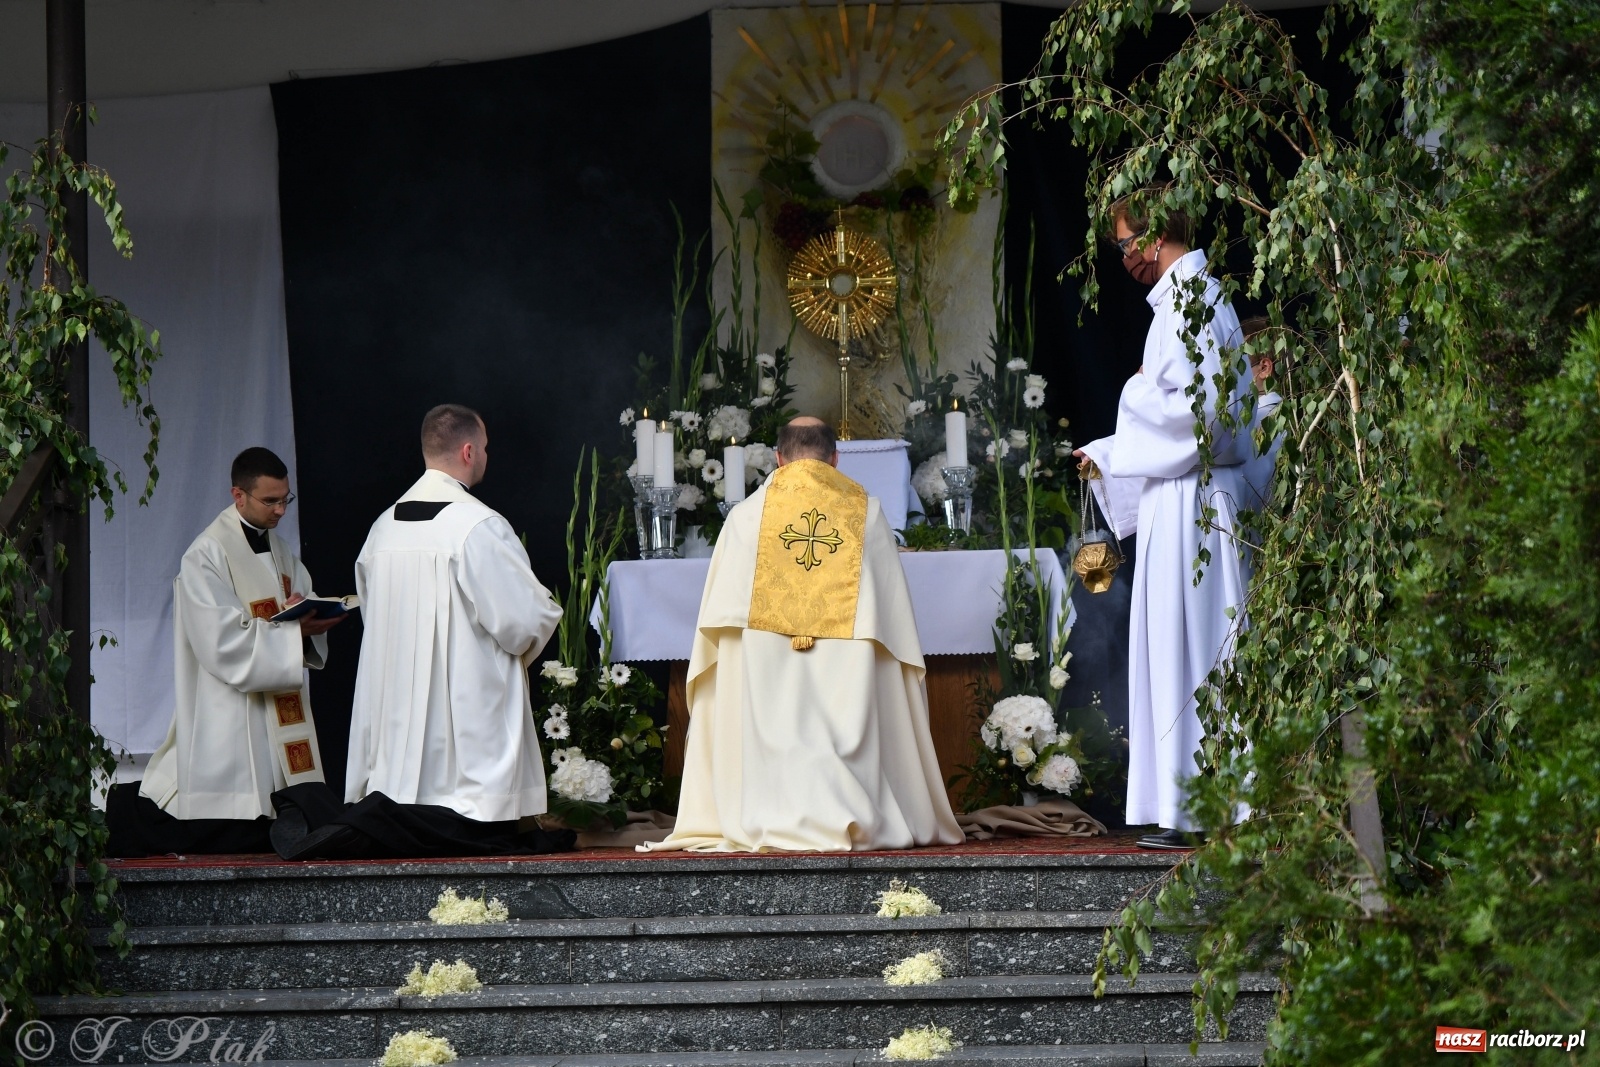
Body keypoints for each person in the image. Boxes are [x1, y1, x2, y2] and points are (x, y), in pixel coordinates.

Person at [644, 416, 963, 853]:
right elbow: (891, 614)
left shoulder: (745, 516)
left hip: (764, 663)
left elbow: (719, 616)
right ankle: (852, 809)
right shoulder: (865, 512)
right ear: (834, 457)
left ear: (779, 457)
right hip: (844, 663)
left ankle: (763, 811)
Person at [271, 404, 570, 858]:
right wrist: (546, 608)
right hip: (465, 715)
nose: (486, 455)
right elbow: (522, 624)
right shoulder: (478, 526)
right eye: (485, 447)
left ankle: (365, 820)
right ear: (469, 451)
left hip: (395, 709)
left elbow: (377, 618)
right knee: (471, 818)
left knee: (405, 805)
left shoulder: (382, 529)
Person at [1074, 188, 1258, 850]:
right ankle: (1198, 801)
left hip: (1192, 508)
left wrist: (1131, 394)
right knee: (1191, 648)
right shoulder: (1194, 298)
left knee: (1192, 650)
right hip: (1190, 497)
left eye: (1124, 246)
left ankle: (1205, 805)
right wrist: (1110, 452)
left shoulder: (1188, 300)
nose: (1123, 261)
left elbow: (1200, 417)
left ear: (1154, 238)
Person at [108, 447, 342, 856]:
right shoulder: (206, 555)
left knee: (278, 807)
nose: (281, 510)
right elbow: (220, 641)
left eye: (286, 499)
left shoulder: (281, 549)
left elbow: (296, 595)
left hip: (277, 706)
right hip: (231, 707)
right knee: (223, 820)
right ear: (238, 496)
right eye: (270, 500)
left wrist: (307, 613)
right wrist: (290, 633)